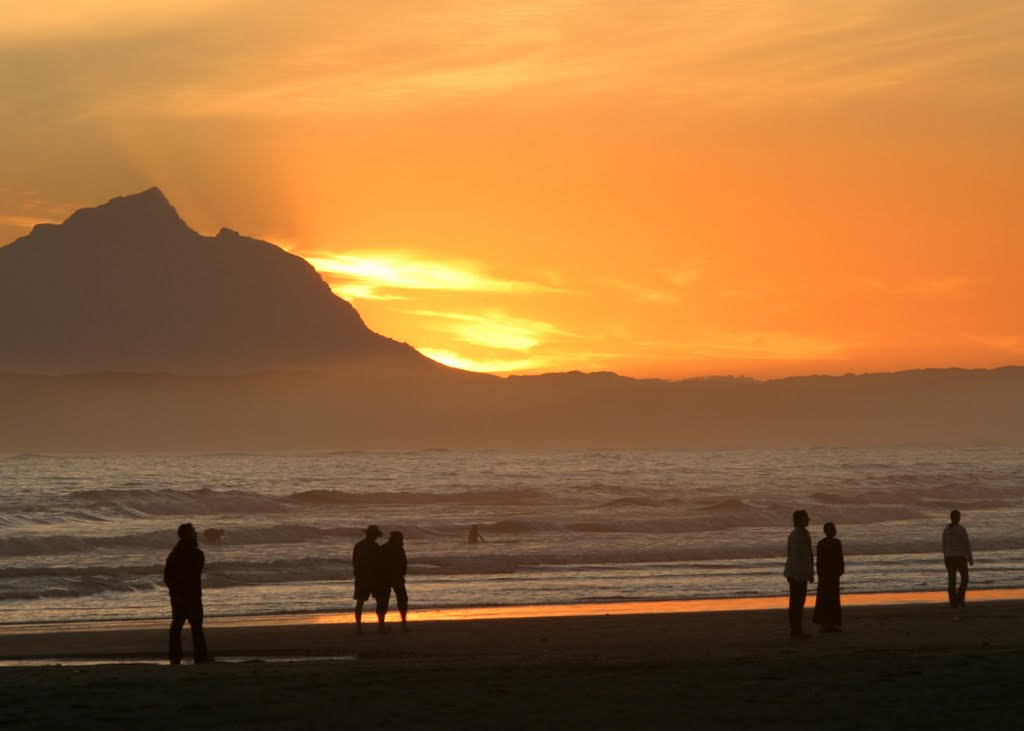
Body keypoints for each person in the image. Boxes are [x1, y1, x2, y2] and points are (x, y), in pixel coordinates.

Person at [163, 522, 210, 664]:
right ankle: (195, 657)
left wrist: (175, 591)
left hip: (187, 595)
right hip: (184, 596)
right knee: (189, 627)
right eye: (192, 531)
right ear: (185, 535)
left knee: (186, 627)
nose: (196, 533)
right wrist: (176, 592)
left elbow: (169, 578)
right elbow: (169, 577)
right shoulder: (186, 554)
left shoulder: (179, 554)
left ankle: (178, 657)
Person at [783, 509, 814, 639]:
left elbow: (807, 556)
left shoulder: (804, 534)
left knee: (799, 602)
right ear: (800, 520)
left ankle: (797, 630)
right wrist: (799, 576)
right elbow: (795, 558)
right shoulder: (795, 536)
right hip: (795, 574)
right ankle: (795, 631)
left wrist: (810, 573)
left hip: (800, 573)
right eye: (806, 517)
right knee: (796, 603)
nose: (808, 519)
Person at [352, 524, 385, 633]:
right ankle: (380, 627)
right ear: (374, 535)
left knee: (360, 602)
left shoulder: (358, 546)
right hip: (374, 578)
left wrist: (357, 574)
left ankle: (358, 628)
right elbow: (380, 564)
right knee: (380, 601)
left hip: (362, 577)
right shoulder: (376, 547)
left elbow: (355, 563)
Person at [812, 522, 845, 632]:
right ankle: (823, 623)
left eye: (834, 529)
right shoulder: (821, 543)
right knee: (824, 598)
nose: (834, 531)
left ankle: (832, 623)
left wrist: (841, 570)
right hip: (825, 575)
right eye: (831, 529)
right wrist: (820, 574)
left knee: (833, 598)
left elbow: (840, 558)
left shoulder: (837, 542)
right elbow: (819, 561)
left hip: (834, 574)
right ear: (826, 531)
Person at [942, 509, 974, 608]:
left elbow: (944, 545)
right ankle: (959, 598)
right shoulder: (961, 529)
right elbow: (966, 545)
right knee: (964, 579)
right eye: (959, 516)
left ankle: (953, 601)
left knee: (952, 581)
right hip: (959, 557)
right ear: (957, 518)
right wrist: (970, 558)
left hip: (950, 558)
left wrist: (945, 558)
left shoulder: (946, 530)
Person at [380, 531, 409, 631]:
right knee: (402, 599)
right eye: (400, 539)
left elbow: (378, 564)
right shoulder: (399, 548)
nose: (401, 541)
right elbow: (404, 563)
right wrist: (401, 573)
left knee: (383, 601)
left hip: (385, 578)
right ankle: (403, 625)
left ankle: (381, 625)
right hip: (395, 578)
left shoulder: (383, 548)